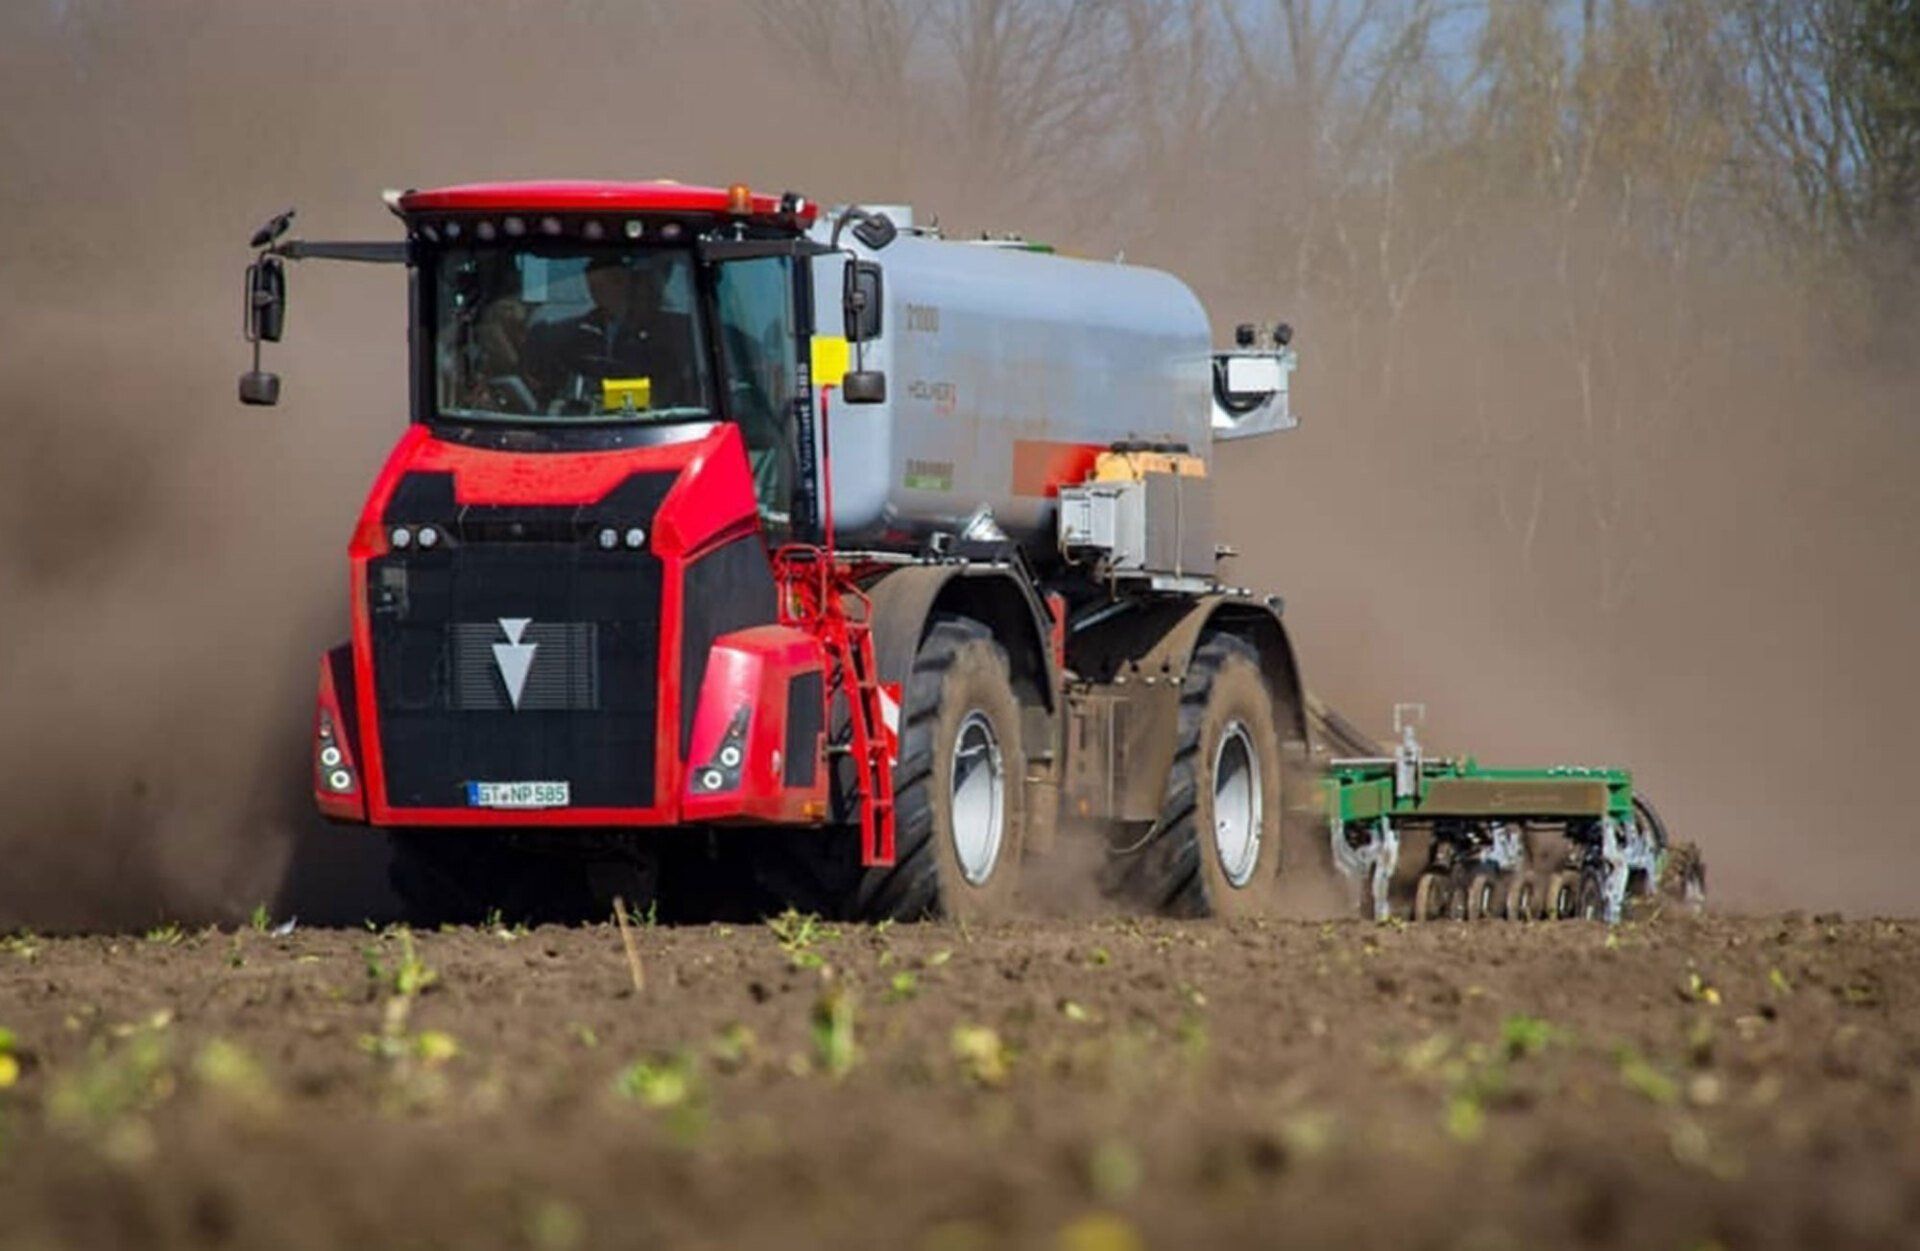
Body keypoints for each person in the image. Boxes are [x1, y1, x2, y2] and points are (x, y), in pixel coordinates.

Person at [524, 254, 702, 412]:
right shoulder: (558, 337)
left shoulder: (687, 335)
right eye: (598, 283)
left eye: (647, 281)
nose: (639, 291)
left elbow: (691, 397)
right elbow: (536, 400)